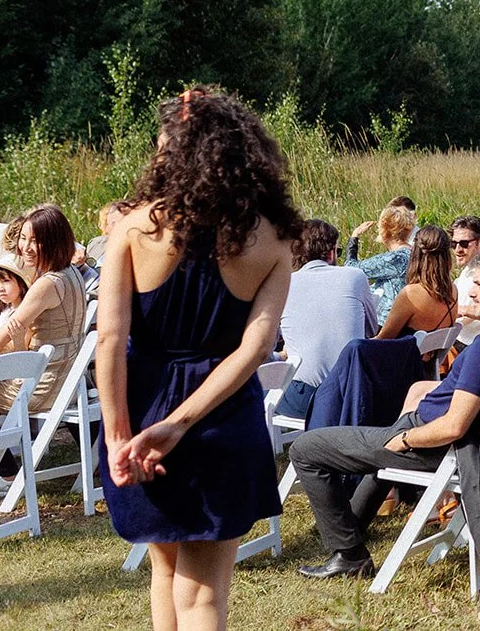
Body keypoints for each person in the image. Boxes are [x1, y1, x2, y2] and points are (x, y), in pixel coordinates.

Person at [95, 88, 301, 631]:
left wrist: (121, 436)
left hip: (141, 404)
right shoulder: (274, 239)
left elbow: (110, 341)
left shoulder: (135, 228)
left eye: (165, 146)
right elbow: (255, 349)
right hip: (221, 413)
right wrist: (179, 424)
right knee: (203, 594)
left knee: (164, 573)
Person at [291, 245, 480, 578]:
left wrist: (404, 438)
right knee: (404, 412)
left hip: (438, 447)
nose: (468, 291)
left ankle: (349, 554)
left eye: (478, 284)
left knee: (306, 448)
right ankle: (353, 525)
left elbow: (453, 427)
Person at [0, 205, 89, 415]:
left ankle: (0, 445)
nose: (25, 247)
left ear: (54, 241)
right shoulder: (71, 273)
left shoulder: (47, 284)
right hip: (63, 377)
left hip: (41, 385)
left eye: (35, 240)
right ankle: (4, 446)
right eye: (23, 238)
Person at [279, 220, 378, 420]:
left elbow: (271, 342)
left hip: (304, 399)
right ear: (331, 252)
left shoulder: (282, 284)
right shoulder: (355, 277)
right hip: (351, 393)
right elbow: (371, 330)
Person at [376, 225, 457, 340]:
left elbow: (383, 339)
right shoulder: (453, 291)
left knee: (354, 346)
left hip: (404, 357)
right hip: (429, 357)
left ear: (415, 253)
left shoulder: (411, 293)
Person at [344, 202, 415, 321]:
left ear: (385, 230)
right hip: (409, 318)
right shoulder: (415, 252)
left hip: (388, 324)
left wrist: (354, 237)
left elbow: (351, 269)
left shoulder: (394, 259)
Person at [448, 216, 480, 344]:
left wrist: (462, 311)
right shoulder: (470, 267)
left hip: (473, 344)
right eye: (453, 244)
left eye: (464, 244)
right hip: (458, 340)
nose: (457, 250)